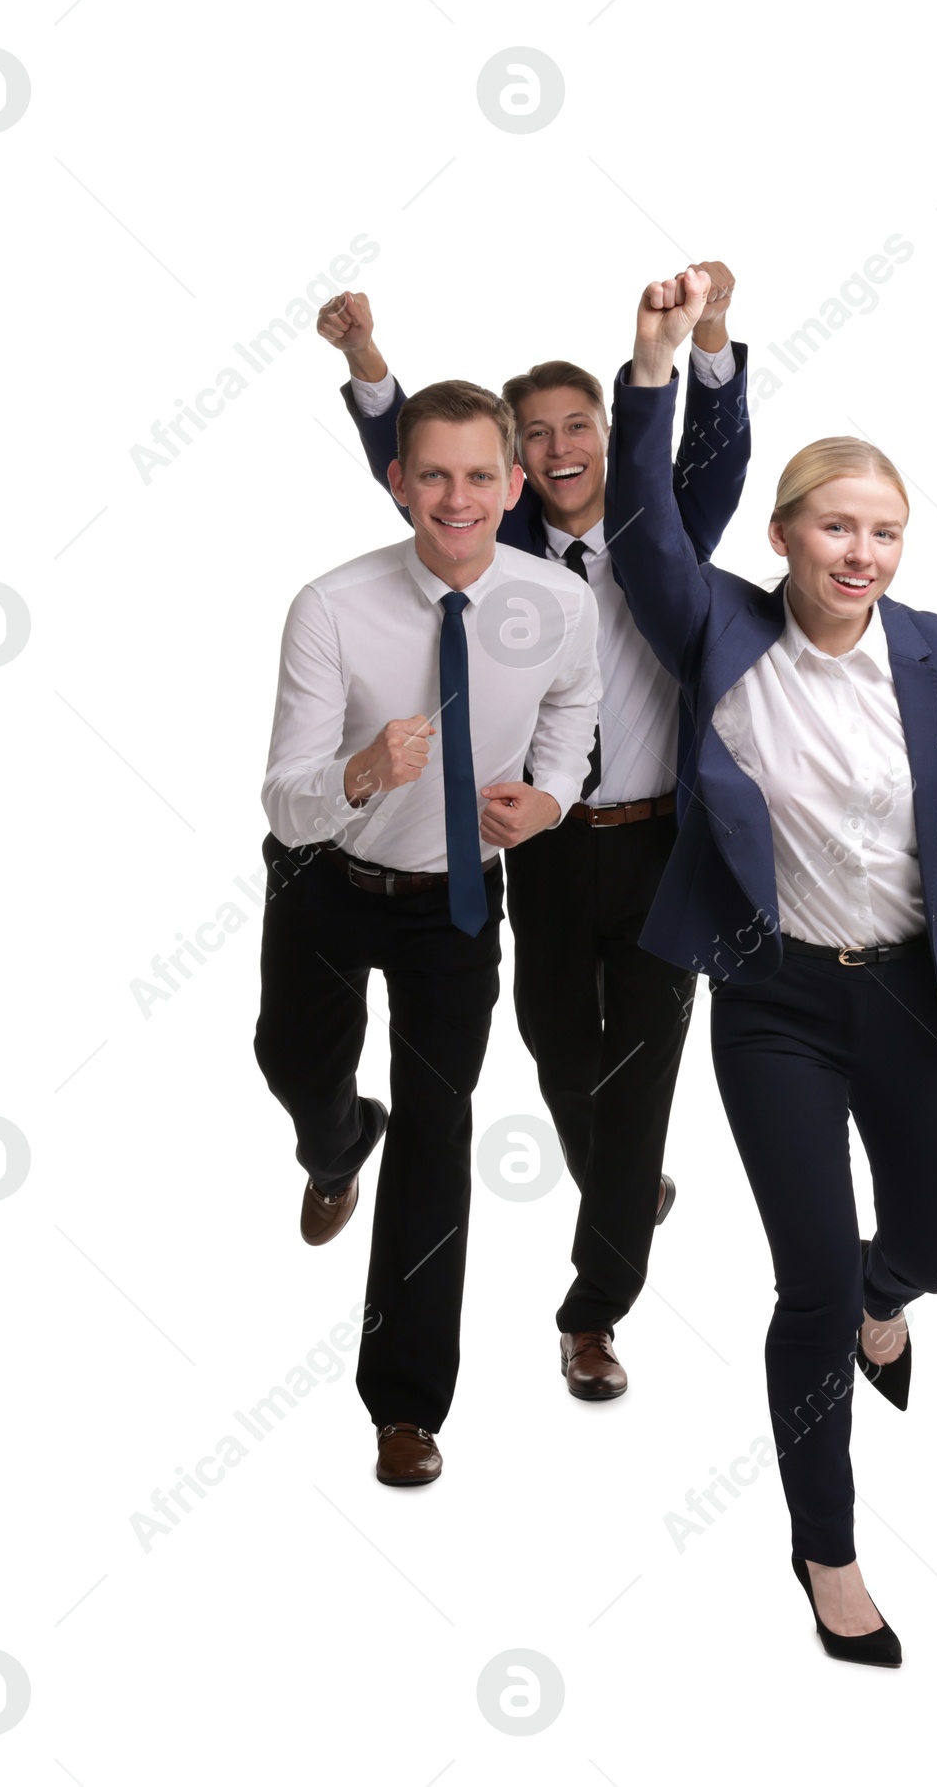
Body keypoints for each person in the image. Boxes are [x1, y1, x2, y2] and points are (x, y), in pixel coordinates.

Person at [605, 267, 937, 1666]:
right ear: (786, 536)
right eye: (837, 527)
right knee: (804, 1283)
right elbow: (645, 524)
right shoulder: (719, 629)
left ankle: (884, 1300)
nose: (862, 551)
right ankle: (826, 1547)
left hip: (909, 990)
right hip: (775, 997)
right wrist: (659, 366)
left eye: (886, 531)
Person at [315, 273, 750, 1399]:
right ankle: (620, 1178)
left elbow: (713, 444)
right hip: (543, 844)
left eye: (580, 426)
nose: (562, 448)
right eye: (539, 434)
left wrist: (703, 339)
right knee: (560, 1048)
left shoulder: (670, 527)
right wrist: (368, 358)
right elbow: (414, 469)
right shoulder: (500, 537)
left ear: (611, 436)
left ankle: (591, 1312)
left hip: (662, 848)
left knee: (643, 1076)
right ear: (517, 463)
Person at [254, 380, 599, 1486]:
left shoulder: (558, 604)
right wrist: (364, 769)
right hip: (326, 872)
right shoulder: (331, 605)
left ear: (512, 484)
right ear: (399, 480)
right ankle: (334, 1138)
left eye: (480, 475)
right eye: (434, 474)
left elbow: (572, 717)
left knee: (440, 1131)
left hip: (454, 896)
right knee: (293, 1058)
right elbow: (284, 798)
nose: (458, 497)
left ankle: (404, 1407)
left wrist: (549, 798)